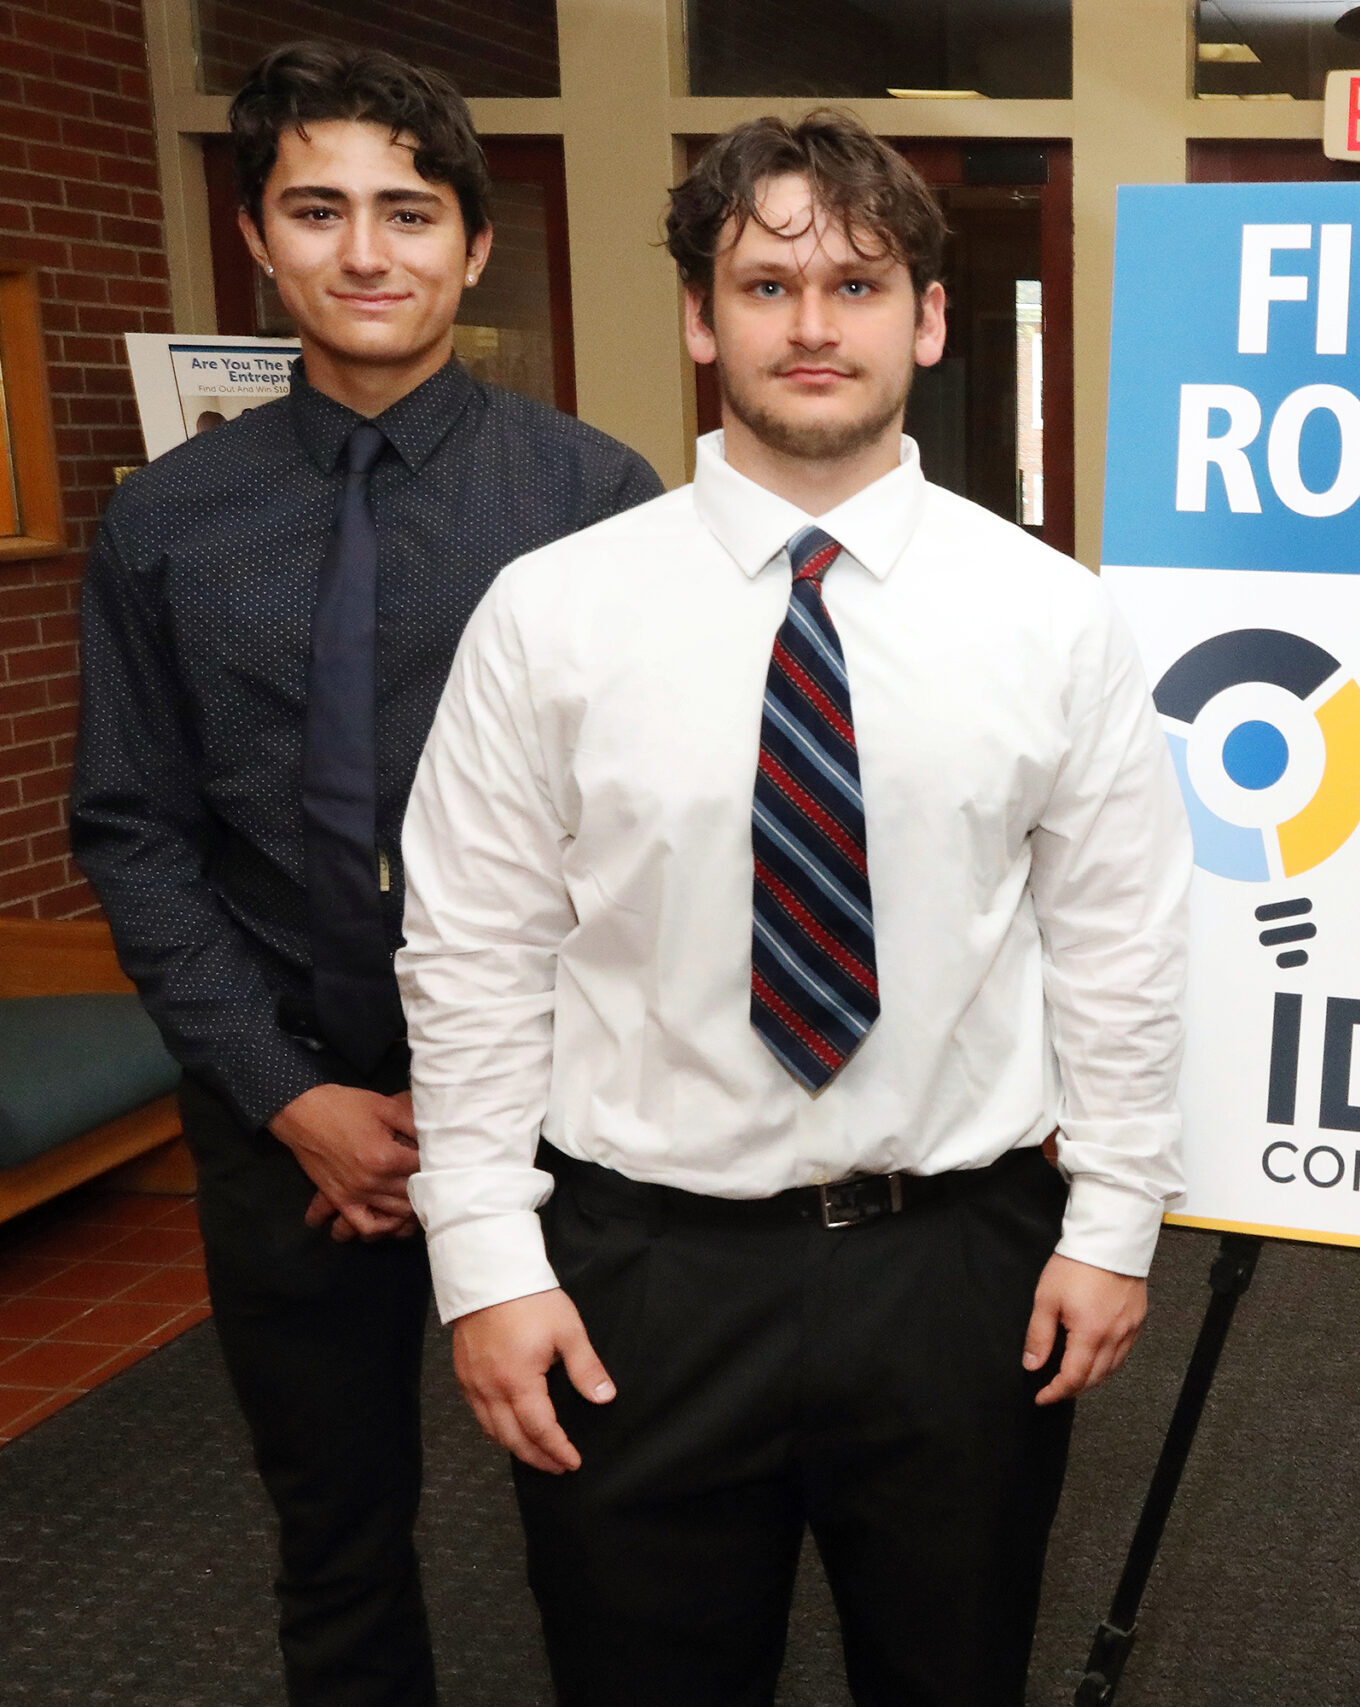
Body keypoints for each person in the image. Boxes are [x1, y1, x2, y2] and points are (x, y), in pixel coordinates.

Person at [397, 110, 1189, 1706]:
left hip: (957, 1272)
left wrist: (1115, 1220)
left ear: (931, 320)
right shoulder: (553, 616)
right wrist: (483, 1256)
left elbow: (1120, 938)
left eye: (860, 283)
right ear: (701, 317)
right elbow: (472, 951)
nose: (813, 325)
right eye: (766, 286)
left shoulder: (1052, 618)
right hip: (638, 1280)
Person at [70, 43, 661, 1707]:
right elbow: (134, 831)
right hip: (285, 1119)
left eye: (410, 212)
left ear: (477, 247)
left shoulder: (596, 504)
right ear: (260, 240)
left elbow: (647, 837)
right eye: (318, 209)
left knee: (596, 1511)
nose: (367, 250)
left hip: (560, 1123)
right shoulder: (165, 525)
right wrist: (291, 1097)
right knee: (334, 1537)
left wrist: (489, 1116)